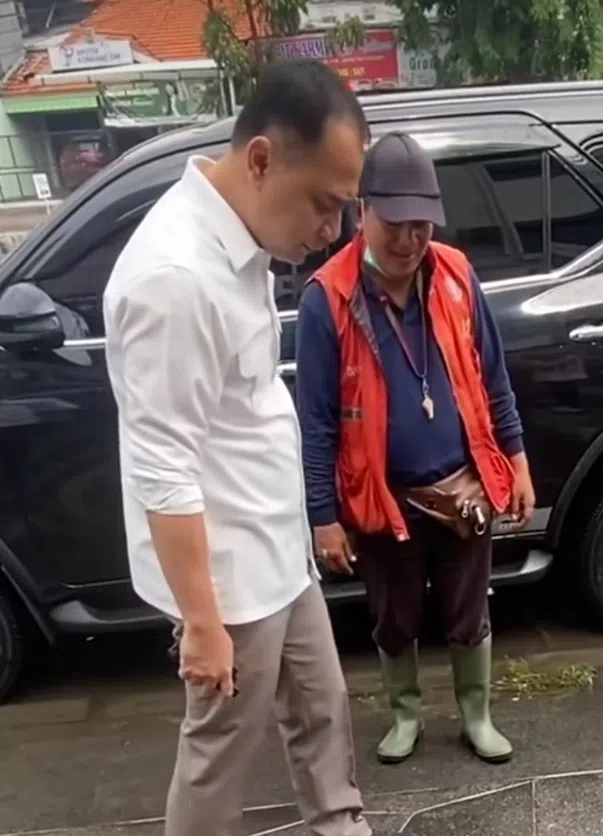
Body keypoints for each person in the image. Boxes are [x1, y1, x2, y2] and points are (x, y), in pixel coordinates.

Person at [104, 61, 386, 836]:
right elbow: (163, 468)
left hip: (277, 547)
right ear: (261, 159)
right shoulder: (174, 278)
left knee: (322, 710)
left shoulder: (243, 238)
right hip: (228, 576)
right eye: (325, 205)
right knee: (220, 754)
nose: (334, 232)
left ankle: (341, 825)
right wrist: (202, 623)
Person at [295, 131, 536, 765]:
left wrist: (516, 461)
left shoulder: (455, 274)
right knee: (394, 617)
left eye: (421, 226)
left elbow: (494, 377)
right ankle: (404, 715)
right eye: (394, 224)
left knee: (468, 609)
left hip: (465, 485)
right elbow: (315, 421)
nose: (408, 241)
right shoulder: (328, 297)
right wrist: (322, 516)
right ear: (362, 212)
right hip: (383, 497)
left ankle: (477, 715)